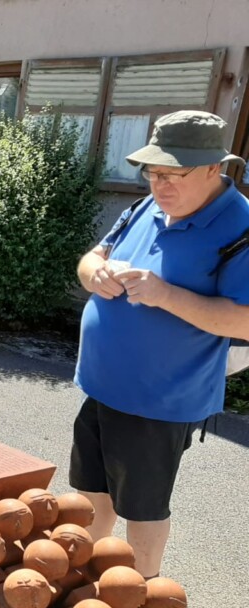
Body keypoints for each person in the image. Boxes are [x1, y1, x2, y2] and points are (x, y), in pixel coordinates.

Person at [71, 110, 249, 578]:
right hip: (103, 384)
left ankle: (141, 596)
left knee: (143, 507)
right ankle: (87, 581)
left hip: (160, 399)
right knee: (92, 492)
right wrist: (96, 276)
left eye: (173, 173)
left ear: (215, 168)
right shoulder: (148, 205)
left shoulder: (241, 228)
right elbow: (92, 258)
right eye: (152, 172)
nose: (159, 184)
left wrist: (166, 295)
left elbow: (246, 321)